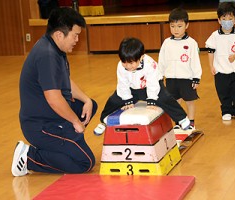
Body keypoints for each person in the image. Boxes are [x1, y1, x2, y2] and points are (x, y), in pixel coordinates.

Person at [11, 7, 98, 177]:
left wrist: (86, 99)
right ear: (59, 35)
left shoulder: (55, 48)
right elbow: (53, 99)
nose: (77, 40)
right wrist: (75, 122)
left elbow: (65, 80)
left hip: (52, 116)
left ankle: (66, 142)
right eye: (75, 35)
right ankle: (29, 157)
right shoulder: (47, 55)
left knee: (89, 106)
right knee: (85, 162)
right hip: (40, 125)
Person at [94, 37, 190, 135]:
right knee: (113, 100)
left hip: (151, 86)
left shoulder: (149, 64)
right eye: (124, 62)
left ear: (141, 57)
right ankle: (104, 121)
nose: (127, 66)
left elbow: (153, 83)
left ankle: (181, 118)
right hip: (132, 89)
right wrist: (127, 100)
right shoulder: (121, 66)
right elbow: (122, 83)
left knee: (166, 98)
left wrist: (152, 100)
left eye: (131, 63)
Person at [205, 2, 235, 121]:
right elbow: (210, 51)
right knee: (223, 91)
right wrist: (211, 66)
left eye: (230, 18)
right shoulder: (214, 36)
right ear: (219, 20)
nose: (227, 21)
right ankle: (226, 110)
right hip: (221, 70)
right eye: (224, 18)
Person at [158, 8, 202, 131]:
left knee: (190, 101)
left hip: (186, 78)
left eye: (179, 26)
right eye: (172, 26)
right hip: (171, 78)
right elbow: (161, 60)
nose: (176, 29)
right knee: (174, 101)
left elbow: (195, 61)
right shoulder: (166, 43)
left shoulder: (191, 43)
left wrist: (196, 77)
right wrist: (159, 76)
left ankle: (191, 121)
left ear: (186, 25)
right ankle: (179, 121)